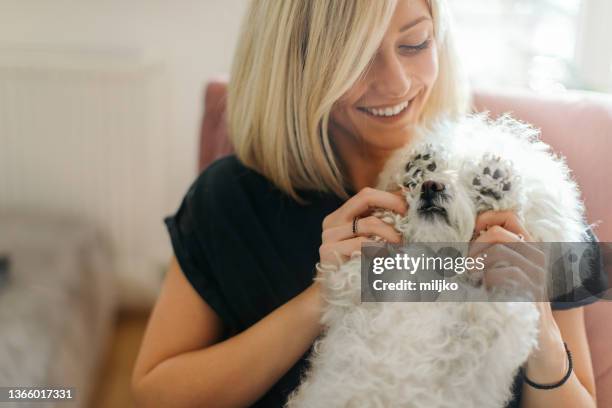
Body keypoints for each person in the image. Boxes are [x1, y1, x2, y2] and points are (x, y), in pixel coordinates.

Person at [131, 1, 600, 407]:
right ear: (296, 61)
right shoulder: (232, 199)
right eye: (358, 57)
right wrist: (325, 296)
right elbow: (157, 393)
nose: (396, 84)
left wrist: (541, 334)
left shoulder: (523, 189)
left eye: (415, 44)